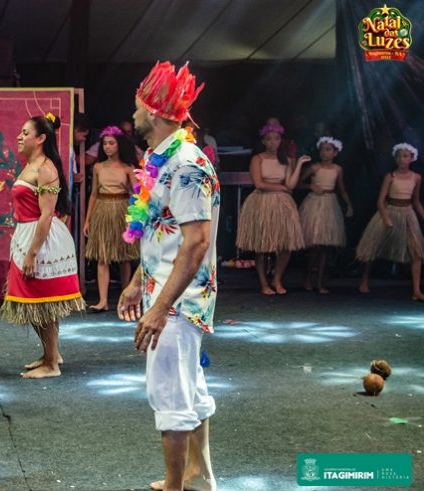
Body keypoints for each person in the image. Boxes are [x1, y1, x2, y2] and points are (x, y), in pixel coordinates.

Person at [118, 61, 219, 491]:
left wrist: (160, 308)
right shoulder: (163, 159)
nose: (134, 112)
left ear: (154, 113)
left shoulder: (186, 164)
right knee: (189, 386)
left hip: (178, 300)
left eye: (139, 104)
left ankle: (176, 486)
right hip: (167, 290)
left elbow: (195, 243)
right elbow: (165, 232)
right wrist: (139, 282)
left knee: (171, 392)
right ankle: (201, 476)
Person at [0, 113, 85, 379]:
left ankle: (52, 364)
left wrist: (33, 253)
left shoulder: (46, 168)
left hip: (43, 239)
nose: (19, 136)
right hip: (26, 234)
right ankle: (51, 353)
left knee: (42, 300)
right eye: (21, 132)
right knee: (34, 302)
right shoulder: (29, 165)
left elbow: (46, 215)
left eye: (26, 132)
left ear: (41, 138)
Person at [236, 121, 310, 295]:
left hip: (282, 204)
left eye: (276, 139)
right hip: (262, 202)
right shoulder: (257, 159)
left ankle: (277, 279)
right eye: (269, 139)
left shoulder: (286, 160)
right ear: (264, 141)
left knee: (285, 246)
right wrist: (281, 188)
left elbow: (291, 185)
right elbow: (259, 183)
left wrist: (298, 164)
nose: (273, 142)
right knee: (262, 246)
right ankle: (264, 283)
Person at [356, 143, 424, 300]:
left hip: (407, 214)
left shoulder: (416, 177)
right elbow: (380, 201)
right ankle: (365, 279)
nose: (402, 159)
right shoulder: (390, 177)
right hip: (390, 211)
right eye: (399, 156)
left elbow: (416, 201)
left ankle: (416, 290)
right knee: (373, 248)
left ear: (412, 158)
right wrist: (386, 218)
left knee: (416, 252)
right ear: (395, 158)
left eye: (405, 156)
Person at [83, 125, 139, 312]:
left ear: (119, 145)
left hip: (123, 209)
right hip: (102, 210)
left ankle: (126, 296)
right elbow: (93, 194)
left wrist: (136, 218)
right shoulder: (98, 167)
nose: (107, 147)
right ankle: (103, 300)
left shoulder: (128, 168)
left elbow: (137, 193)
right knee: (102, 257)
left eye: (111, 143)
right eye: (105, 143)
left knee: (124, 256)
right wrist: (88, 219)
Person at [298, 137, 353, 293]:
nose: (324, 153)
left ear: (335, 153)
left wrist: (348, 204)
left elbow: (341, 188)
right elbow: (297, 183)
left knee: (325, 247)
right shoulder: (314, 168)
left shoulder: (338, 169)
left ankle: (320, 282)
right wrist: (310, 186)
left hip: (330, 204)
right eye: (322, 149)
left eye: (328, 150)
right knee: (315, 245)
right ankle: (308, 276)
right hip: (314, 203)